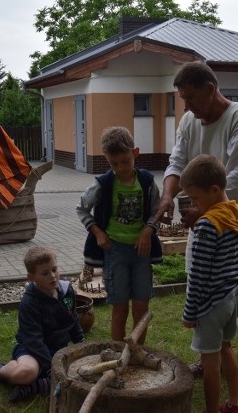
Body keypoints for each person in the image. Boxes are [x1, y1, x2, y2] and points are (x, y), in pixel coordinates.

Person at [155, 61, 238, 392]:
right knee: (201, 278)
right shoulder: (190, 121)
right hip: (205, 219)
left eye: (189, 98)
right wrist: (168, 197)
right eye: (182, 99)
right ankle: (209, 352)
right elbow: (176, 161)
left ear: (210, 90)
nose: (186, 106)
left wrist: (203, 213)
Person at [0, 246, 84, 403]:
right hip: (33, 349)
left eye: (54, 269)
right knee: (25, 373)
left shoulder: (67, 291)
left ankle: (33, 387)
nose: (53, 276)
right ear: (31, 277)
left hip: (59, 348)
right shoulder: (29, 303)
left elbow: (72, 318)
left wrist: (81, 343)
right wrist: (50, 367)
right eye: (45, 273)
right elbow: (33, 339)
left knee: (81, 374)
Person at [76, 126, 162, 345]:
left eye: (125, 161)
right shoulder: (103, 184)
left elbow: (156, 211)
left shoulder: (147, 182)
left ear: (135, 153)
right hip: (115, 253)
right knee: (120, 308)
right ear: (106, 158)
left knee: (141, 308)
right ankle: (117, 354)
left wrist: (148, 230)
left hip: (141, 253)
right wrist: (97, 233)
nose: (120, 168)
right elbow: (81, 208)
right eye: (114, 163)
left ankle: (136, 352)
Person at [180, 154, 238, 413]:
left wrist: (190, 313)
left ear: (215, 190)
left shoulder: (208, 224)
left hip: (211, 305)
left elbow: (198, 275)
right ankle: (235, 402)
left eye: (196, 198)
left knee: (210, 362)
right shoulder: (236, 213)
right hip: (233, 297)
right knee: (227, 348)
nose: (194, 205)